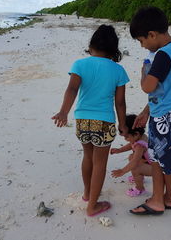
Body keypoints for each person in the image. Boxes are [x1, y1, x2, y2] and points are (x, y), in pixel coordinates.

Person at [52, 24, 129, 217]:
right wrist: (123, 125)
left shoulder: (80, 64)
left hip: (82, 120)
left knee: (87, 156)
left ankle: (87, 194)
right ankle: (93, 205)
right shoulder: (118, 70)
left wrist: (63, 112)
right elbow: (120, 103)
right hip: (104, 122)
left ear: (92, 45)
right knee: (100, 163)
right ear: (113, 49)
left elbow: (72, 90)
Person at [128, 6, 171, 215]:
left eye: (142, 41)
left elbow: (148, 87)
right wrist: (146, 110)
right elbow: (166, 89)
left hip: (165, 117)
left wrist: (143, 73)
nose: (143, 46)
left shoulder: (162, 56)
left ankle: (156, 200)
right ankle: (170, 198)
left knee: (156, 159)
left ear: (152, 34)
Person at [110, 114, 152, 197]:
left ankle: (140, 188)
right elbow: (131, 145)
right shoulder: (141, 137)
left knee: (135, 168)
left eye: (126, 137)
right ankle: (139, 178)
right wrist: (119, 150)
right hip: (151, 163)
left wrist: (122, 171)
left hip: (155, 169)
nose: (125, 139)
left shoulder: (140, 146)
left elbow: (135, 161)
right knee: (131, 157)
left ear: (136, 134)